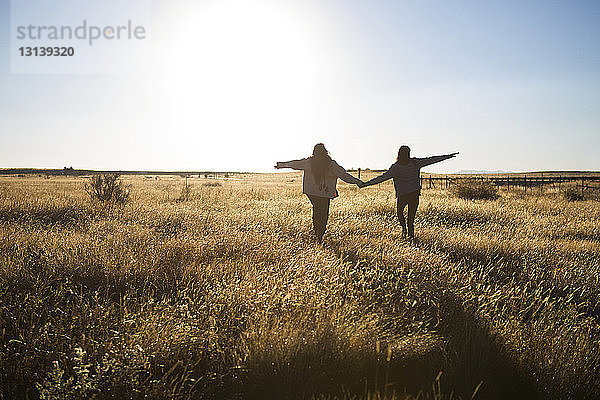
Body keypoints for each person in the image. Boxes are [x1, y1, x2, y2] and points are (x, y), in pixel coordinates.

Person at [275, 143, 364, 243]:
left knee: (317, 212)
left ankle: (317, 235)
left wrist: (281, 165)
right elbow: (344, 175)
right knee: (323, 214)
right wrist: (357, 181)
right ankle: (319, 235)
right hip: (324, 194)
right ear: (325, 152)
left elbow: (294, 164)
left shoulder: (310, 162)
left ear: (314, 152)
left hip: (312, 193)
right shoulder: (331, 164)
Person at [363, 146, 458, 238]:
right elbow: (431, 160)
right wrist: (447, 156)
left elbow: (381, 178)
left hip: (405, 195)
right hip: (412, 194)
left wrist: (365, 184)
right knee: (410, 217)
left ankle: (405, 232)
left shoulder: (399, 166)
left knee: (401, 214)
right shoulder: (412, 163)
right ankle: (409, 234)